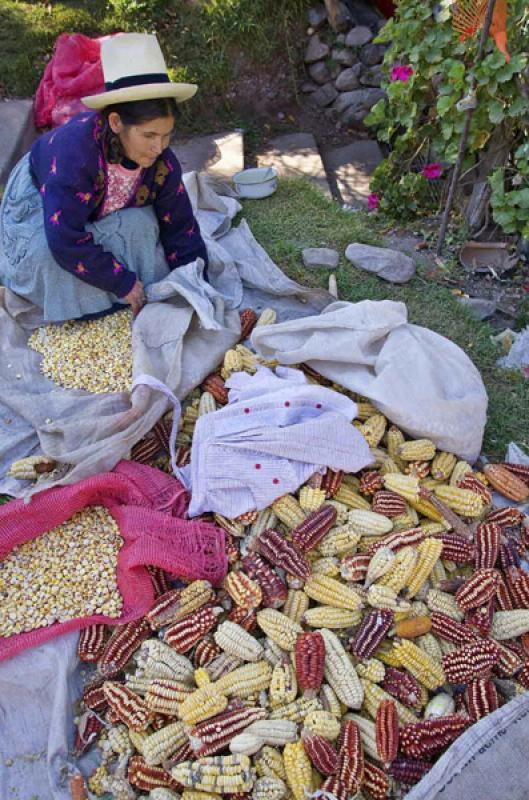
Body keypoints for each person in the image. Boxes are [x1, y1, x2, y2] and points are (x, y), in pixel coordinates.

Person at [0, 33, 208, 322]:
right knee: (45, 256)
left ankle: (108, 288)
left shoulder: (162, 163)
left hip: (94, 200)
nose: (158, 147)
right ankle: (93, 301)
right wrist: (121, 282)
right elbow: (64, 238)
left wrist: (198, 283)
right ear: (115, 123)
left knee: (143, 228)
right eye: (148, 135)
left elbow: (181, 227)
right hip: (40, 196)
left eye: (166, 135)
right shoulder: (74, 156)